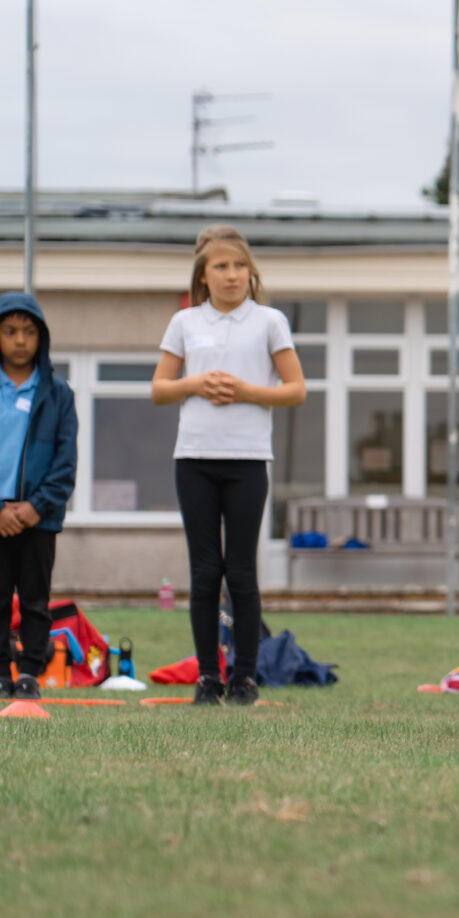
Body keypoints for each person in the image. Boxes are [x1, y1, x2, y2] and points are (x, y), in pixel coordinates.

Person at [151, 225, 306, 707]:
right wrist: (195, 384)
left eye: (240, 266)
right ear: (204, 274)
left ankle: (244, 679)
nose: (232, 274)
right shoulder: (184, 322)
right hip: (194, 460)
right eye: (221, 266)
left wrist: (245, 391)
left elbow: (296, 389)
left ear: (251, 272)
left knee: (240, 571)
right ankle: (207, 678)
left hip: (248, 461)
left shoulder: (269, 321)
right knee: (204, 572)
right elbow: (160, 388)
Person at [0, 294, 77, 701]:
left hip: (39, 517)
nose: (20, 340)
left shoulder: (58, 394)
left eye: (29, 331)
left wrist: (37, 506)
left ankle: (30, 675)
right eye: (10, 332)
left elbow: (66, 461)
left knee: (36, 600)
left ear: (42, 337)